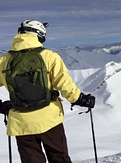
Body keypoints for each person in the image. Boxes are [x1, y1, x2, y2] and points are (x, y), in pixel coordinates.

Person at [0, 20, 95, 163]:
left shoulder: (4, 60)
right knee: (59, 158)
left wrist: (1, 106)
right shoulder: (49, 56)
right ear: (39, 35)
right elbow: (64, 84)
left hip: (21, 124)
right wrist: (80, 99)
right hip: (49, 120)